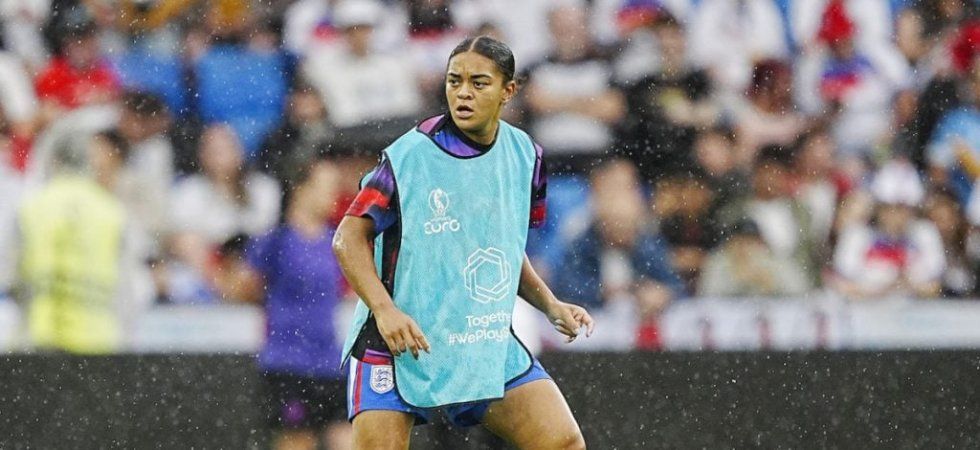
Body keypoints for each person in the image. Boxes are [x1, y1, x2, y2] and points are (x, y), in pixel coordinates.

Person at [332, 36, 593, 449]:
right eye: (455, 81)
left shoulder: (526, 156)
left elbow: (503, 247)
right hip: (397, 341)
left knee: (563, 442)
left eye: (479, 82)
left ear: (509, 90)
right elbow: (348, 237)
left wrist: (550, 304)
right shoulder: (410, 155)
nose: (463, 93)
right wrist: (384, 310)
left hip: (477, 340)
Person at [219, 158, 351, 450]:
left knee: (348, 440)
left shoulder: (337, 241)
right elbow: (237, 287)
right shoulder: (276, 241)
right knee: (296, 442)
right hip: (288, 366)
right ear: (301, 189)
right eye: (327, 187)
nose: (334, 195)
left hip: (330, 363)